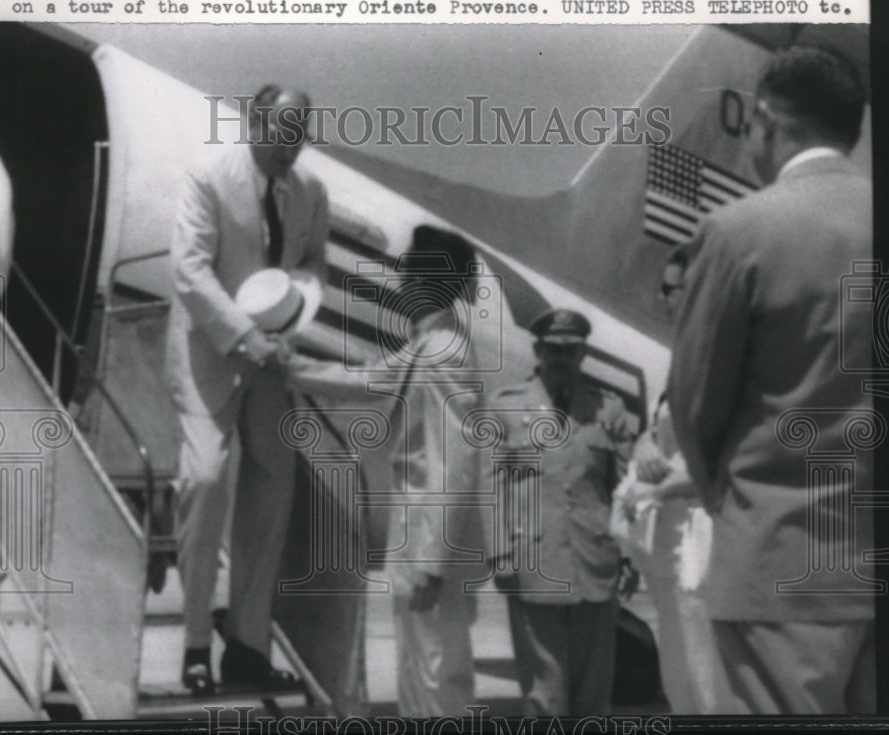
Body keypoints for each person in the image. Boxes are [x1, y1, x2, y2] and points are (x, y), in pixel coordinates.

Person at [667, 46, 875, 714]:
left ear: (761, 118)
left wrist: (741, 514)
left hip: (780, 565)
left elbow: (695, 408)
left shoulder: (738, 230)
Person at [165, 84, 329, 694]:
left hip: (271, 361)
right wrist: (242, 334)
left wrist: (291, 313)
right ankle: (194, 644)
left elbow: (314, 261)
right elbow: (189, 268)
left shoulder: (311, 192)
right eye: (284, 131)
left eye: (302, 132)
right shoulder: (209, 176)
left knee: (273, 485)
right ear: (256, 123)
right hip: (209, 356)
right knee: (206, 480)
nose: (294, 145)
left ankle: (248, 646)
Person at [286, 225, 486, 717]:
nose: (400, 285)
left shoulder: (442, 353)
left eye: (408, 274)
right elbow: (372, 378)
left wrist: (431, 564)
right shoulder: (430, 345)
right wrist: (289, 366)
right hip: (420, 550)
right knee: (424, 678)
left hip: (429, 555)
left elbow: (454, 463)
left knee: (436, 681)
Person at [489, 309, 637, 716]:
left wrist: (629, 553)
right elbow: (492, 486)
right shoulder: (506, 407)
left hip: (595, 562)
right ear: (537, 350)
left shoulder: (608, 411)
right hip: (534, 562)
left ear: (582, 354)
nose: (560, 358)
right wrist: (499, 552)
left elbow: (624, 489)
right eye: (552, 350)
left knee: (594, 695)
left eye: (569, 351)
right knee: (544, 693)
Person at [615, 249, 725, 714]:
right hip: (671, 547)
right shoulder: (686, 358)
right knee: (680, 677)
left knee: (708, 682)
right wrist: (643, 447)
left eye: (670, 289)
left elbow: (730, 458)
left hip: (704, 545)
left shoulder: (721, 360)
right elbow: (664, 431)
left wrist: (656, 488)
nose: (662, 300)